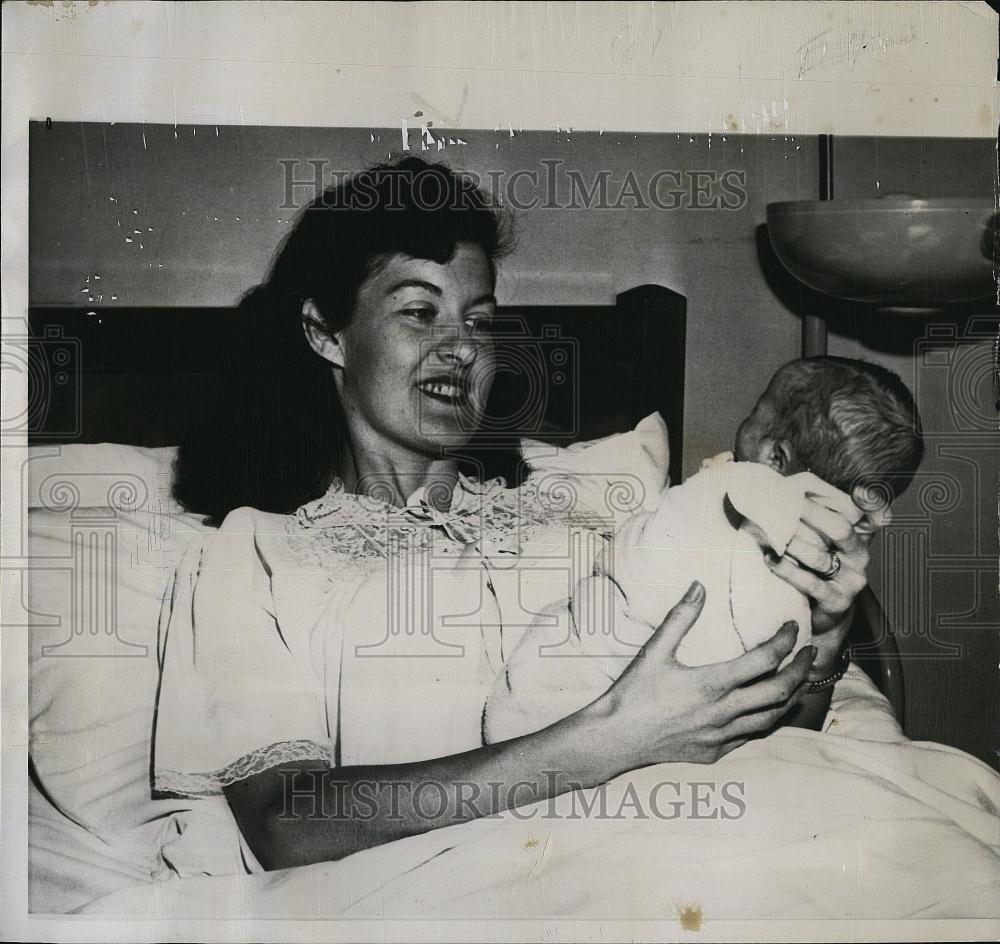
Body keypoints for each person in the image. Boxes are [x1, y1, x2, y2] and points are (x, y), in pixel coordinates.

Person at [157, 156, 874, 873]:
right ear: (325, 332)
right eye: (419, 311)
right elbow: (288, 823)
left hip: (684, 857)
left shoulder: (594, 520)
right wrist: (606, 742)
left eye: (480, 320)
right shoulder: (256, 553)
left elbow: (753, 729)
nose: (462, 346)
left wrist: (825, 634)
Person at [485, 358, 923, 743]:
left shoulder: (735, 506)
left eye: (755, 413)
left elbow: (640, 546)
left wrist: (831, 635)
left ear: (774, 457)